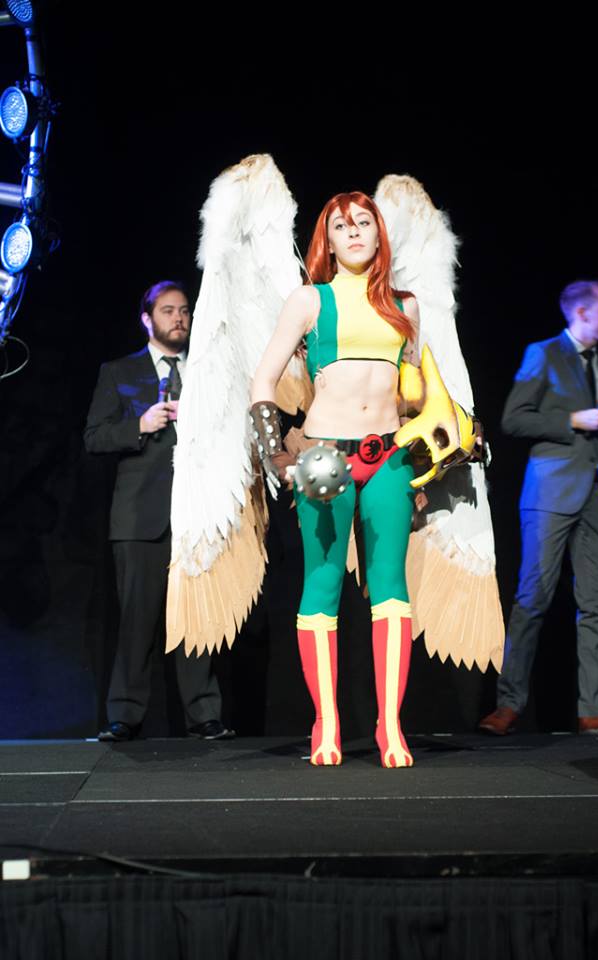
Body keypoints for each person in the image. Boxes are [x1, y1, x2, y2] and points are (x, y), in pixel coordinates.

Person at [250, 191, 424, 768]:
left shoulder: (405, 305)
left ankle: (389, 726)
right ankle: (325, 721)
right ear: (327, 239)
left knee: (391, 588)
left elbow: (416, 391)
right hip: (325, 458)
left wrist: (437, 454)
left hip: (389, 455)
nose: (353, 232)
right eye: (341, 225)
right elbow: (263, 380)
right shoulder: (310, 299)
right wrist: (275, 454)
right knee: (322, 583)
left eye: (363, 222)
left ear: (379, 233)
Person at [479, 280, 598, 736]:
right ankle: (508, 704)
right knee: (533, 598)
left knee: (597, 605)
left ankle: (597, 708)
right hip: (550, 495)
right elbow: (514, 419)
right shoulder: (544, 354)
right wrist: (572, 420)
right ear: (582, 312)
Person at [85, 280, 231, 742]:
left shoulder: (206, 372)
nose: (179, 318)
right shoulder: (119, 371)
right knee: (137, 620)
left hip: (197, 514)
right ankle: (125, 716)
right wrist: (140, 424)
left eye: (184, 310)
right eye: (168, 311)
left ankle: (204, 714)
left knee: (197, 617)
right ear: (147, 319)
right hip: (139, 517)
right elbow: (94, 437)